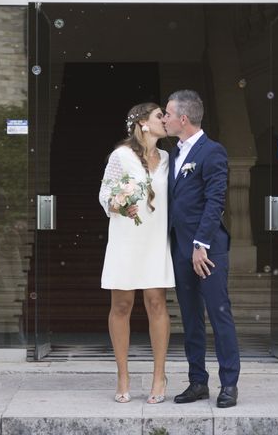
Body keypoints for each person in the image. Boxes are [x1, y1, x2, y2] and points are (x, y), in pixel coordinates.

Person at [162, 89, 240, 408]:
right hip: (180, 249)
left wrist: (200, 244)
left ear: (183, 118)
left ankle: (229, 384)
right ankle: (198, 382)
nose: (163, 119)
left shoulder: (213, 152)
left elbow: (215, 201)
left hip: (207, 251)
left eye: (167, 114)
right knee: (191, 319)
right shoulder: (174, 155)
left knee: (219, 314)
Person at [99, 102, 175, 404]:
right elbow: (105, 193)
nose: (165, 120)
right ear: (143, 123)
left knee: (156, 302)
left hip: (156, 239)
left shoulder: (170, 158)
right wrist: (117, 204)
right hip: (126, 237)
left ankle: (159, 375)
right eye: (160, 116)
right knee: (121, 304)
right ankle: (123, 375)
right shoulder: (121, 155)